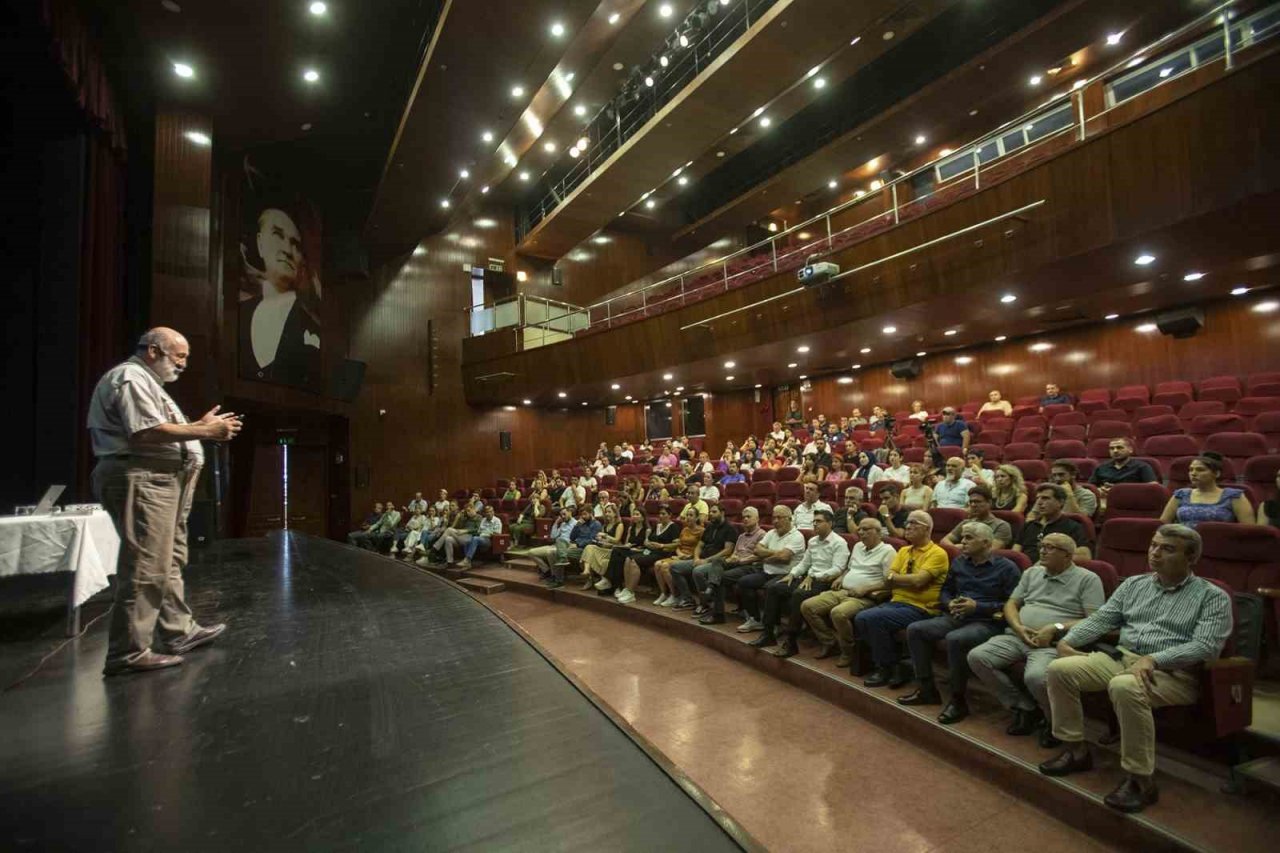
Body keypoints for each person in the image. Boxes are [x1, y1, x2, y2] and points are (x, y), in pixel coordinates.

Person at [1039, 525, 1232, 814]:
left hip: (1173, 673)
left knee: (1125, 686)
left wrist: (1156, 659)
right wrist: (1067, 641)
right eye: (1154, 545)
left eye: (1167, 548)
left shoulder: (1212, 597)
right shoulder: (1133, 584)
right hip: (1121, 658)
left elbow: (1206, 646)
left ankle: (1140, 779)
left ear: (1191, 558)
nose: (1155, 552)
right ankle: (1076, 750)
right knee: (1059, 669)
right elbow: (1102, 619)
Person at [87, 327, 240, 675]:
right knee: (146, 565)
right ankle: (128, 651)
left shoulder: (149, 383)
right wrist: (204, 430)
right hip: (143, 478)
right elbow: (144, 431)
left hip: (161, 480)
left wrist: (198, 428)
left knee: (168, 560)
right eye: (179, 356)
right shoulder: (130, 377)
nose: (184, 365)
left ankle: (177, 631)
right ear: (154, 350)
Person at [968, 533, 1104, 745]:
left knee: (1036, 677)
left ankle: (1053, 722)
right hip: (1017, 636)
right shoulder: (1032, 572)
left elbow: (1095, 620)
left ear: (1068, 555)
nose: (1042, 551)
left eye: (1050, 548)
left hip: (1051, 644)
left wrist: (1055, 628)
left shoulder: (1088, 579)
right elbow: (1011, 604)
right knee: (977, 657)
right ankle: (1024, 707)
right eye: (1042, 546)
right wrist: (1018, 627)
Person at [897, 523, 1020, 723]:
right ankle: (927, 689)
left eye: (969, 538)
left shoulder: (1007, 568)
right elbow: (946, 590)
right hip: (956, 615)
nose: (962, 542)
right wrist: (949, 602)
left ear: (986, 543)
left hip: (987, 621)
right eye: (962, 537)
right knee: (916, 629)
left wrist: (978, 607)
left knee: (956, 639)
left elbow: (1013, 604)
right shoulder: (960, 562)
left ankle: (958, 700)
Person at [855, 511, 951, 688]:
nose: (907, 526)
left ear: (927, 528)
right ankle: (894, 665)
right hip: (897, 602)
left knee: (872, 618)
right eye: (907, 522)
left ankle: (886, 667)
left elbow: (918, 581)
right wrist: (902, 579)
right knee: (861, 618)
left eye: (914, 523)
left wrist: (898, 578)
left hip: (922, 607)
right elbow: (888, 578)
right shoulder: (904, 550)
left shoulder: (937, 553)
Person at [238, 206, 321, 388]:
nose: (287, 250)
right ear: (260, 243)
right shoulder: (239, 314)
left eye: (295, 244)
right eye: (277, 235)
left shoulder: (312, 326)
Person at [750, 509, 851, 657]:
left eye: (819, 521)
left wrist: (813, 576)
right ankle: (768, 633)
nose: (815, 524)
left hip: (826, 581)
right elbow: (804, 564)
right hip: (809, 578)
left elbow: (837, 569)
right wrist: (792, 574)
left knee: (798, 594)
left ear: (830, 523)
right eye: (814, 521)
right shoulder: (813, 541)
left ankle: (791, 642)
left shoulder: (839, 543)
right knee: (774, 588)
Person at [801, 517, 896, 665]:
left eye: (866, 529)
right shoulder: (858, 546)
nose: (861, 532)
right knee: (808, 606)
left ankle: (848, 651)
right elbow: (850, 568)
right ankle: (829, 642)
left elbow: (889, 582)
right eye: (860, 529)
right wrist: (841, 576)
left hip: (864, 597)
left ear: (879, 532)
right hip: (843, 590)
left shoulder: (888, 551)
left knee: (838, 613)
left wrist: (866, 589)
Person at [732, 506, 806, 633]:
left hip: (786, 575)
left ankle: (773, 625)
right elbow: (756, 550)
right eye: (774, 517)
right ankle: (755, 619)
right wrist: (775, 554)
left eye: (779, 517)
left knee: (770, 587)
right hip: (767, 572)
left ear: (789, 519)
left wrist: (767, 556)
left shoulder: (797, 536)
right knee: (744, 582)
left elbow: (784, 557)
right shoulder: (771, 533)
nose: (775, 521)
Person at [692, 506, 766, 624]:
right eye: (743, 517)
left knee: (719, 578)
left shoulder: (762, 535)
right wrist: (732, 558)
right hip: (736, 563)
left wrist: (741, 560)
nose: (745, 519)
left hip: (750, 566)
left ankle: (718, 613)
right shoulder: (741, 536)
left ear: (757, 518)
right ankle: (711, 586)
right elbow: (735, 552)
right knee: (717, 561)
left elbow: (760, 556)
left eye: (748, 517)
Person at [668, 504, 738, 611]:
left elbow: (727, 550)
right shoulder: (709, 527)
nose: (711, 514)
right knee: (674, 567)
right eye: (710, 512)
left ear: (722, 513)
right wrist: (696, 558)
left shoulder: (730, 528)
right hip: (702, 559)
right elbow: (700, 545)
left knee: (698, 571)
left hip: (716, 563)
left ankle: (706, 603)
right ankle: (688, 599)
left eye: (714, 512)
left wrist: (706, 560)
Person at [1160, 452, 1254, 528]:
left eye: (1200, 470)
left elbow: (1249, 530)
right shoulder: (1180, 494)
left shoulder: (1234, 496)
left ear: (1216, 474)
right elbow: (1162, 525)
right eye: (1191, 470)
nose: (1193, 473)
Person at [618, 505, 681, 602]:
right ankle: (627, 588)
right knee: (628, 558)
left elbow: (676, 544)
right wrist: (647, 543)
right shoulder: (657, 526)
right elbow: (649, 540)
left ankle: (631, 592)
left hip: (662, 553)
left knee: (634, 561)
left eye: (663, 514)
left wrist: (661, 545)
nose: (660, 516)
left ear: (670, 515)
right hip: (650, 551)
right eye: (659, 513)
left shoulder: (673, 527)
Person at [1015, 484, 1088, 563]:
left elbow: (1084, 556)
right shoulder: (1029, 525)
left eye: (1045, 498)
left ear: (1060, 502)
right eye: (1038, 498)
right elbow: (1016, 554)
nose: (1039, 502)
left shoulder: (1073, 527)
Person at [654, 505, 704, 607]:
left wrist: (688, 556)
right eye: (687, 515)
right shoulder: (684, 530)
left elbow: (700, 548)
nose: (688, 517)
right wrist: (680, 554)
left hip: (690, 557)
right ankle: (664, 593)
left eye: (691, 515)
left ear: (697, 518)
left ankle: (674, 595)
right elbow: (678, 545)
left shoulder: (702, 531)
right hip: (680, 555)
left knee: (664, 566)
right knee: (657, 564)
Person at [945, 485, 1013, 549]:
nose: (973, 505)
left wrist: (960, 547)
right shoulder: (966, 523)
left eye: (977, 501)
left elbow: (991, 549)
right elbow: (944, 541)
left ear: (989, 503)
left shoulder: (1001, 526)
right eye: (971, 502)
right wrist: (958, 548)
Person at [528, 507, 576, 586]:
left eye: (564, 514)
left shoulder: (576, 524)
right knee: (531, 552)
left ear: (570, 512)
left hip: (565, 546)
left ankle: (554, 576)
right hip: (555, 545)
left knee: (550, 552)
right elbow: (553, 536)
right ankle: (547, 571)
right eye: (561, 515)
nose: (563, 516)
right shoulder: (562, 524)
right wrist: (556, 523)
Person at [580, 505, 625, 589]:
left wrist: (605, 535)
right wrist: (599, 539)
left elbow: (616, 540)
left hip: (614, 549)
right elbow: (603, 539)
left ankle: (592, 578)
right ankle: (586, 571)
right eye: (606, 512)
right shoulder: (605, 525)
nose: (607, 514)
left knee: (591, 555)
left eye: (609, 512)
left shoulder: (619, 525)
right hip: (604, 547)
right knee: (589, 547)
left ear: (615, 513)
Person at [1089, 438, 1158, 489]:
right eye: (1112, 448)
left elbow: (1153, 488)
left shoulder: (1142, 466)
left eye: (1119, 447)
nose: (1115, 451)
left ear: (1130, 450)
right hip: (1105, 499)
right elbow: (1090, 488)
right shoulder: (1101, 467)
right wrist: (1100, 490)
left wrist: (1118, 489)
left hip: (1132, 500)